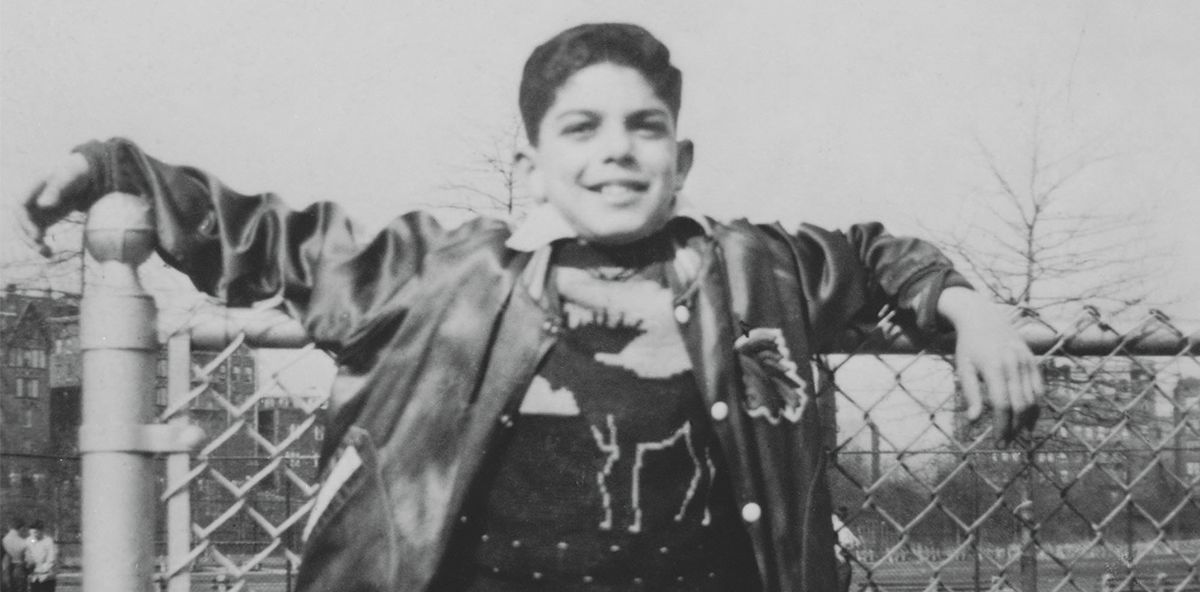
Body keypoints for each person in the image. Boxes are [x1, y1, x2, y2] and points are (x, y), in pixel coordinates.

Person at [11, 22, 1042, 592]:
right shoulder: (443, 274)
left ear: (680, 158)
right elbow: (266, 237)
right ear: (532, 160)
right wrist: (116, 169)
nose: (615, 150)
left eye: (645, 129)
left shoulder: (752, 268)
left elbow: (871, 256)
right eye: (581, 127)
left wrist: (970, 306)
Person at [831, 506, 861, 592]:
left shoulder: (837, 524)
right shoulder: (838, 525)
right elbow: (848, 542)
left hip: (837, 557)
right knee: (842, 584)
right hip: (840, 558)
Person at [23, 521, 55, 592]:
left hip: (46, 577)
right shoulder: (29, 540)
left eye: (35, 532)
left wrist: (42, 570)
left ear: (41, 531)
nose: (33, 535)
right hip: (34, 577)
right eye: (31, 533)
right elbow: (27, 554)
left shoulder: (48, 541)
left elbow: (51, 559)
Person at [2, 519, 29, 592]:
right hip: (19, 568)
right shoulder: (22, 541)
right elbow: (27, 556)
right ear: (21, 528)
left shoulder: (4, 539)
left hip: (5, 569)